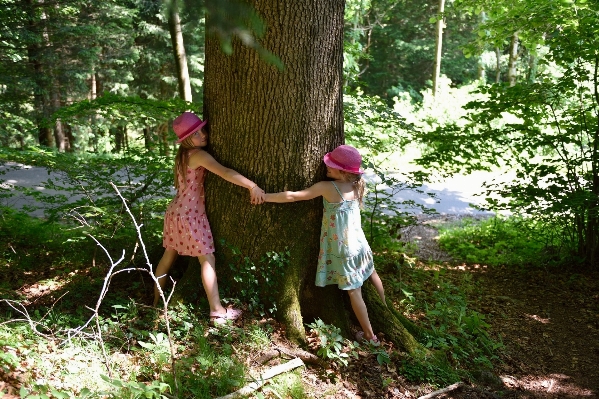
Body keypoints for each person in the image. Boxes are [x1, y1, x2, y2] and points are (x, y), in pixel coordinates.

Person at [264, 145, 385, 342]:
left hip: (344, 250)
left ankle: (371, 336)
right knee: (371, 273)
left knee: (355, 292)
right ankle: (384, 308)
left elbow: (293, 196)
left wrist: (266, 197)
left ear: (343, 171)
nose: (325, 165)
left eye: (331, 165)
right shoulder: (357, 185)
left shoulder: (328, 187)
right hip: (360, 244)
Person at [153, 111, 265, 326]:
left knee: (168, 256)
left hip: (175, 212)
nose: (203, 135)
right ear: (187, 139)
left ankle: (156, 302)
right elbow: (225, 172)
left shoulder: (182, 155)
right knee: (207, 259)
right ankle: (216, 311)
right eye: (196, 133)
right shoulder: (198, 155)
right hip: (190, 216)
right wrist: (252, 185)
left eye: (202, 130)